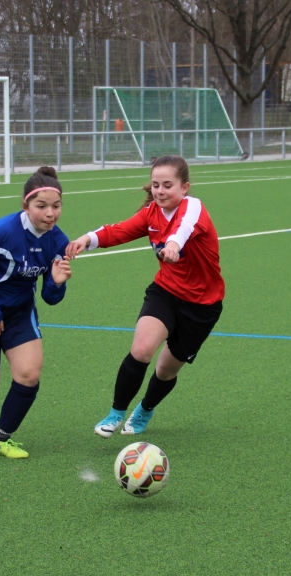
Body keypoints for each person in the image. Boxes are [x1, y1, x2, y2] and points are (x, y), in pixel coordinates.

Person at [65, 155, 225, 438]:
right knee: (141, 350)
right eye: (155, 185)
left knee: (165, 370)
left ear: (184, 187)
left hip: (202, 306)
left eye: (167, 185)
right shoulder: (151, 213)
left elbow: (183, 228)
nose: (160, 191)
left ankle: (145, 410)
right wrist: (87, 239)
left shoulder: (193, 207)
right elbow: (119, 231)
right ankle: (116, 413)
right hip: (165, 292)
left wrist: (173, 245)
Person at [0, 167, 73, 459]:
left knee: (29, 374)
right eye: (41, 206)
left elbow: (49, 298)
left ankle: (1, 439)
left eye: (56, 206)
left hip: (19, 311)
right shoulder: (3, 231)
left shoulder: (59, 241)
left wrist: (57, 283)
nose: (50, 213)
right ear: (25, 205)